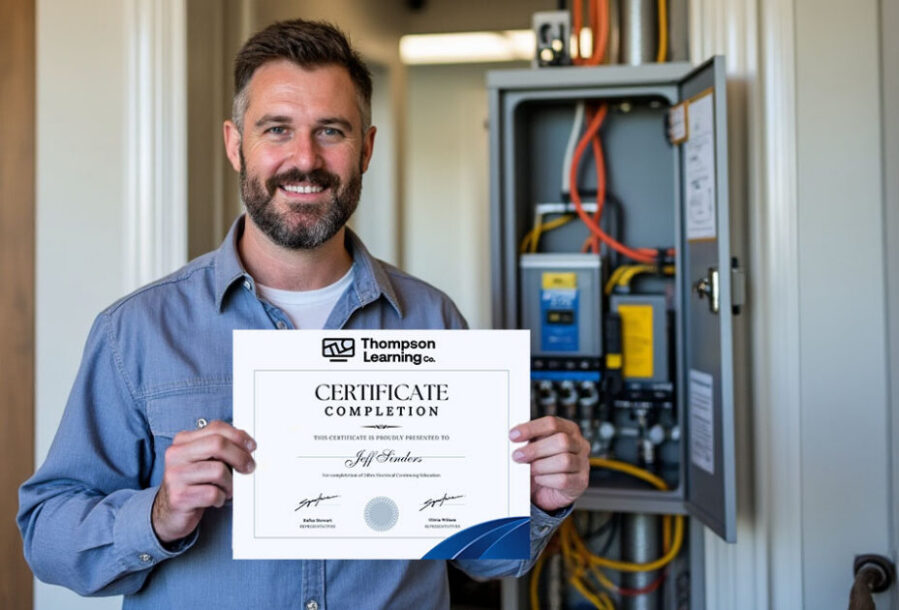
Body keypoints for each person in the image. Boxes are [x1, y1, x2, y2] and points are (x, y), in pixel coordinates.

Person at [18, 19, 590, 609]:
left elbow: (484, 555)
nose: (305, 159)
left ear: (366, 148)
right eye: (277, 130)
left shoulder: (431, 318)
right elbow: (46, 535)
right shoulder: (136, 332)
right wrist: (160, 512)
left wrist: (540, 499)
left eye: (331, 131)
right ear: (235, 144)